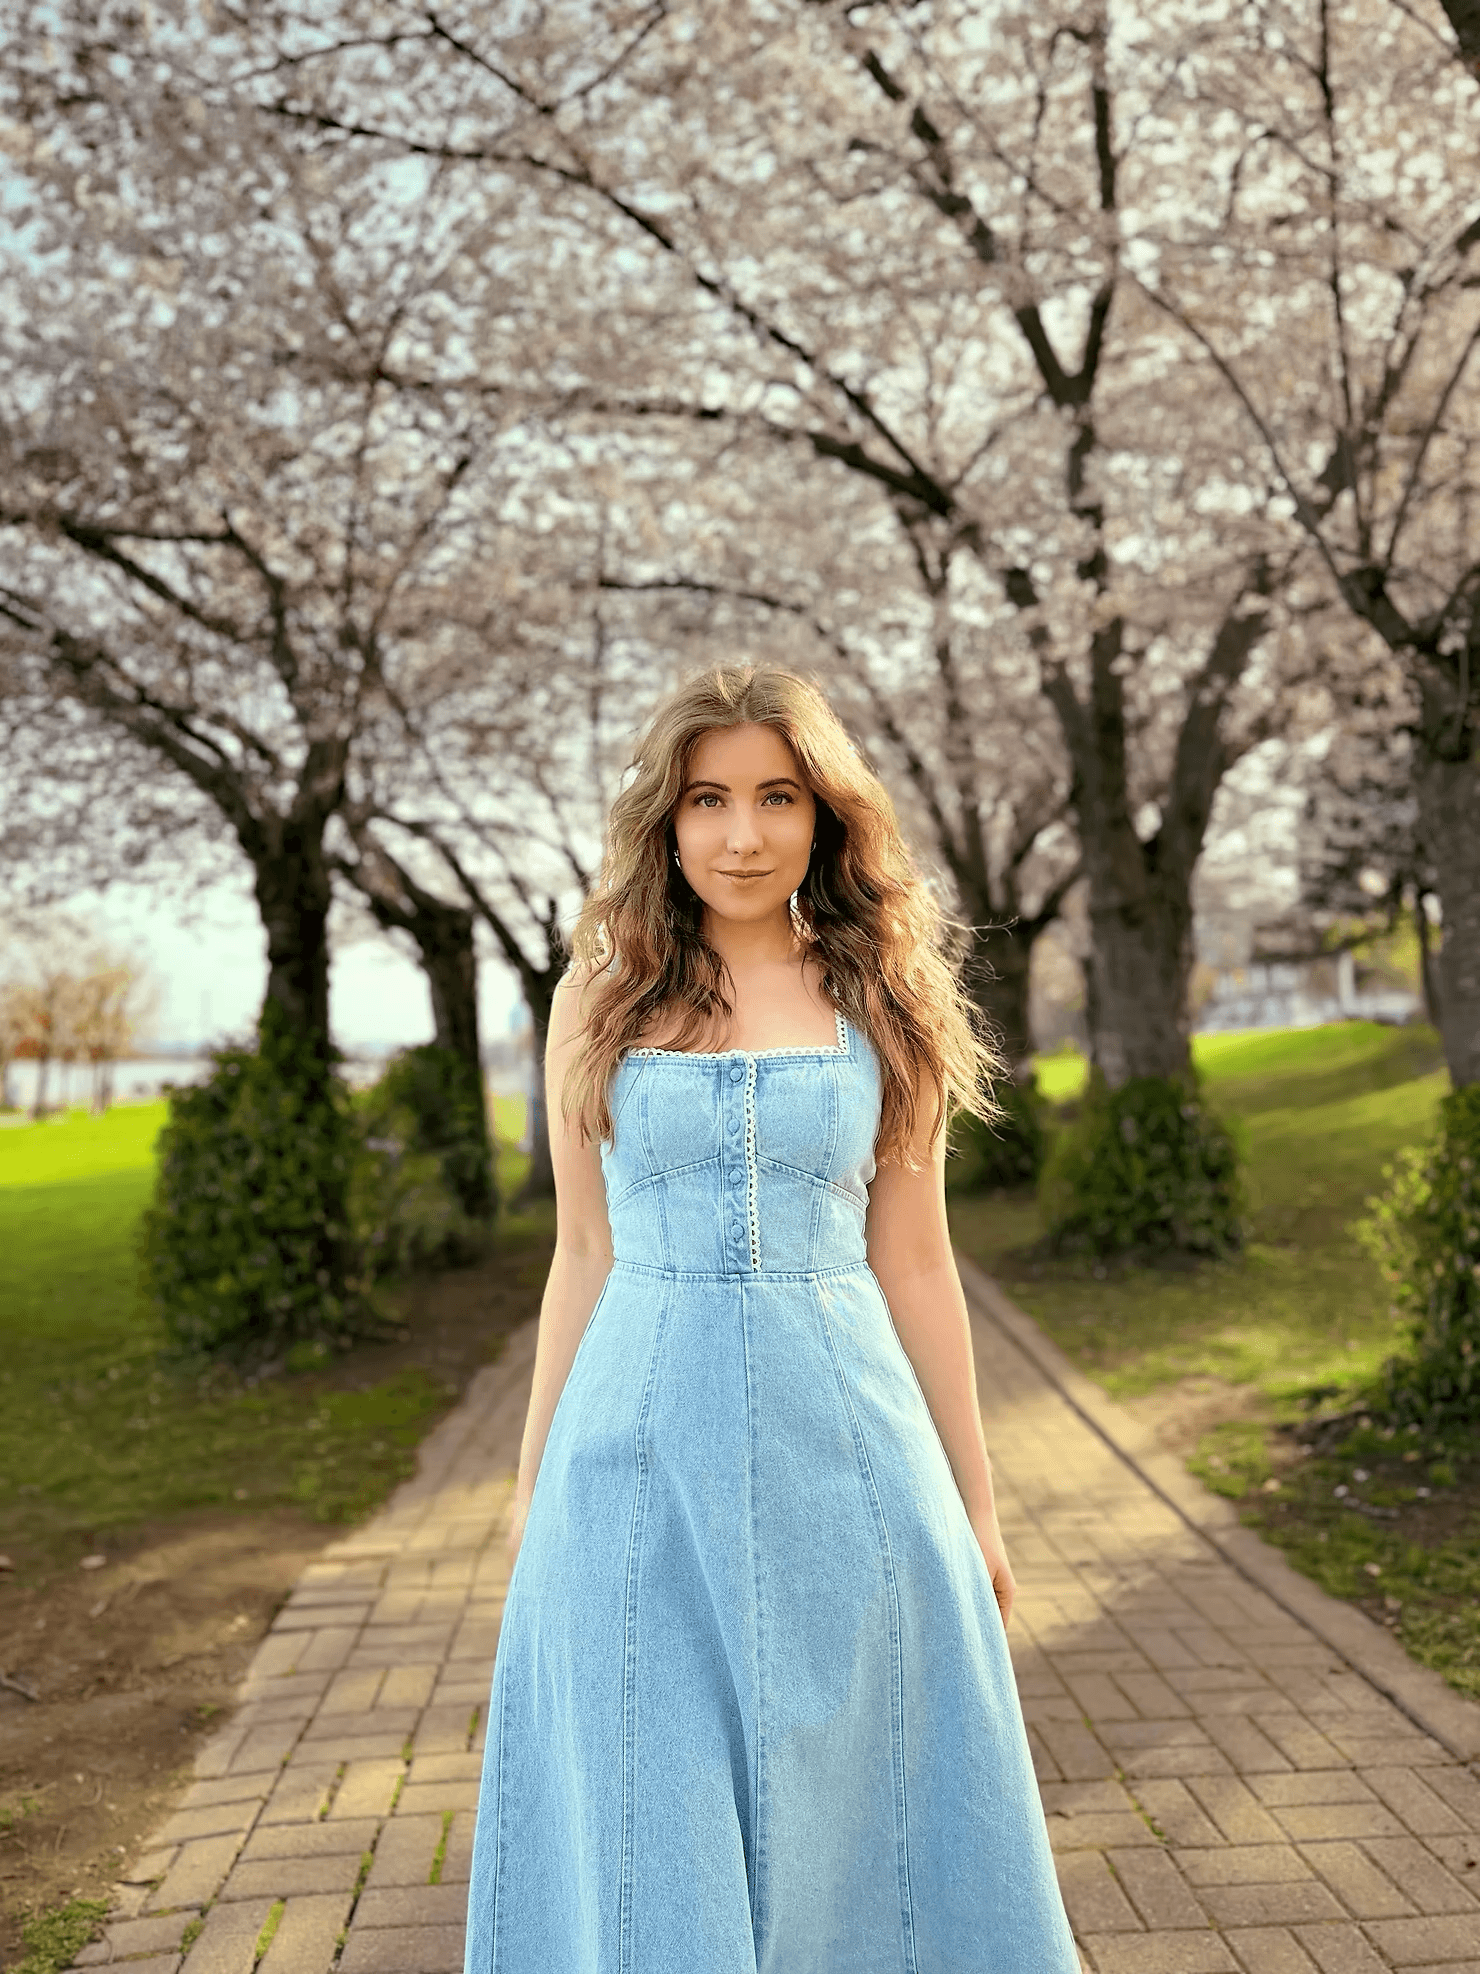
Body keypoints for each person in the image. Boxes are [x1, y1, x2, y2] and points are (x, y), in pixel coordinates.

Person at [463, 664, 1080, 1974]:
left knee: (869, 1808)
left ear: (824, 814)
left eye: (776, 796)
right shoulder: (598, 995)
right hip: (636, 1458)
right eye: (709, 799)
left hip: (847, 1450)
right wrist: (532, 1493)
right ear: (667, 820)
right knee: (654, 1810)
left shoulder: (883, 994)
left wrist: (976, 1504)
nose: (742, 834)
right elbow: (580, 1253)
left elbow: (916, 1262)